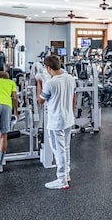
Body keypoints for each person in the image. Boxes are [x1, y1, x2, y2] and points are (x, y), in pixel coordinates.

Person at [37, 55, 76, 190]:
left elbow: (40, 100)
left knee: (59, 150)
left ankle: (61, 180)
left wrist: (39, 83)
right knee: (65, 148)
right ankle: (66, 174)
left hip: (56, 121)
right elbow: (73, 97)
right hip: (68, 118)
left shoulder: (50, 83)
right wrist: (71, 111)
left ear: (48, 68)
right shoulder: (70, 78)